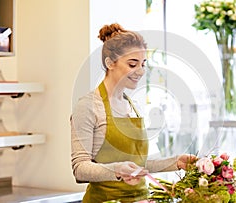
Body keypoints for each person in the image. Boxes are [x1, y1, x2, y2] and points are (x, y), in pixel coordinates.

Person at [70, 23, 197, 203]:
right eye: (132, 64)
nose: (140, 71)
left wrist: (176, 162)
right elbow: (80, 168)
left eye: (143, 64)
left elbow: (137, 166)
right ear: (110, 63)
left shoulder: (133, 105)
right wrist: (117, 170)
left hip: (141, 199)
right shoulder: (88, 106)